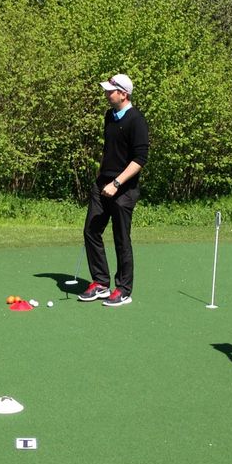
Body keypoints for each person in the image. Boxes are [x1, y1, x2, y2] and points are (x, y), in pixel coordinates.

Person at [78, 73, 149, 307]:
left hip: (124, 189)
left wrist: (116, 183)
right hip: (102, 184)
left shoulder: (137, 120)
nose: (106, 94)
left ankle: (123, 289)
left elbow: (140, 159)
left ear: (123, 94)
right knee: (91, 231)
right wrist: (101, 175)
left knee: (121, 238)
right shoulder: (109, 115)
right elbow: (109, 149)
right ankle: (100, 283)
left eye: (111, 91)